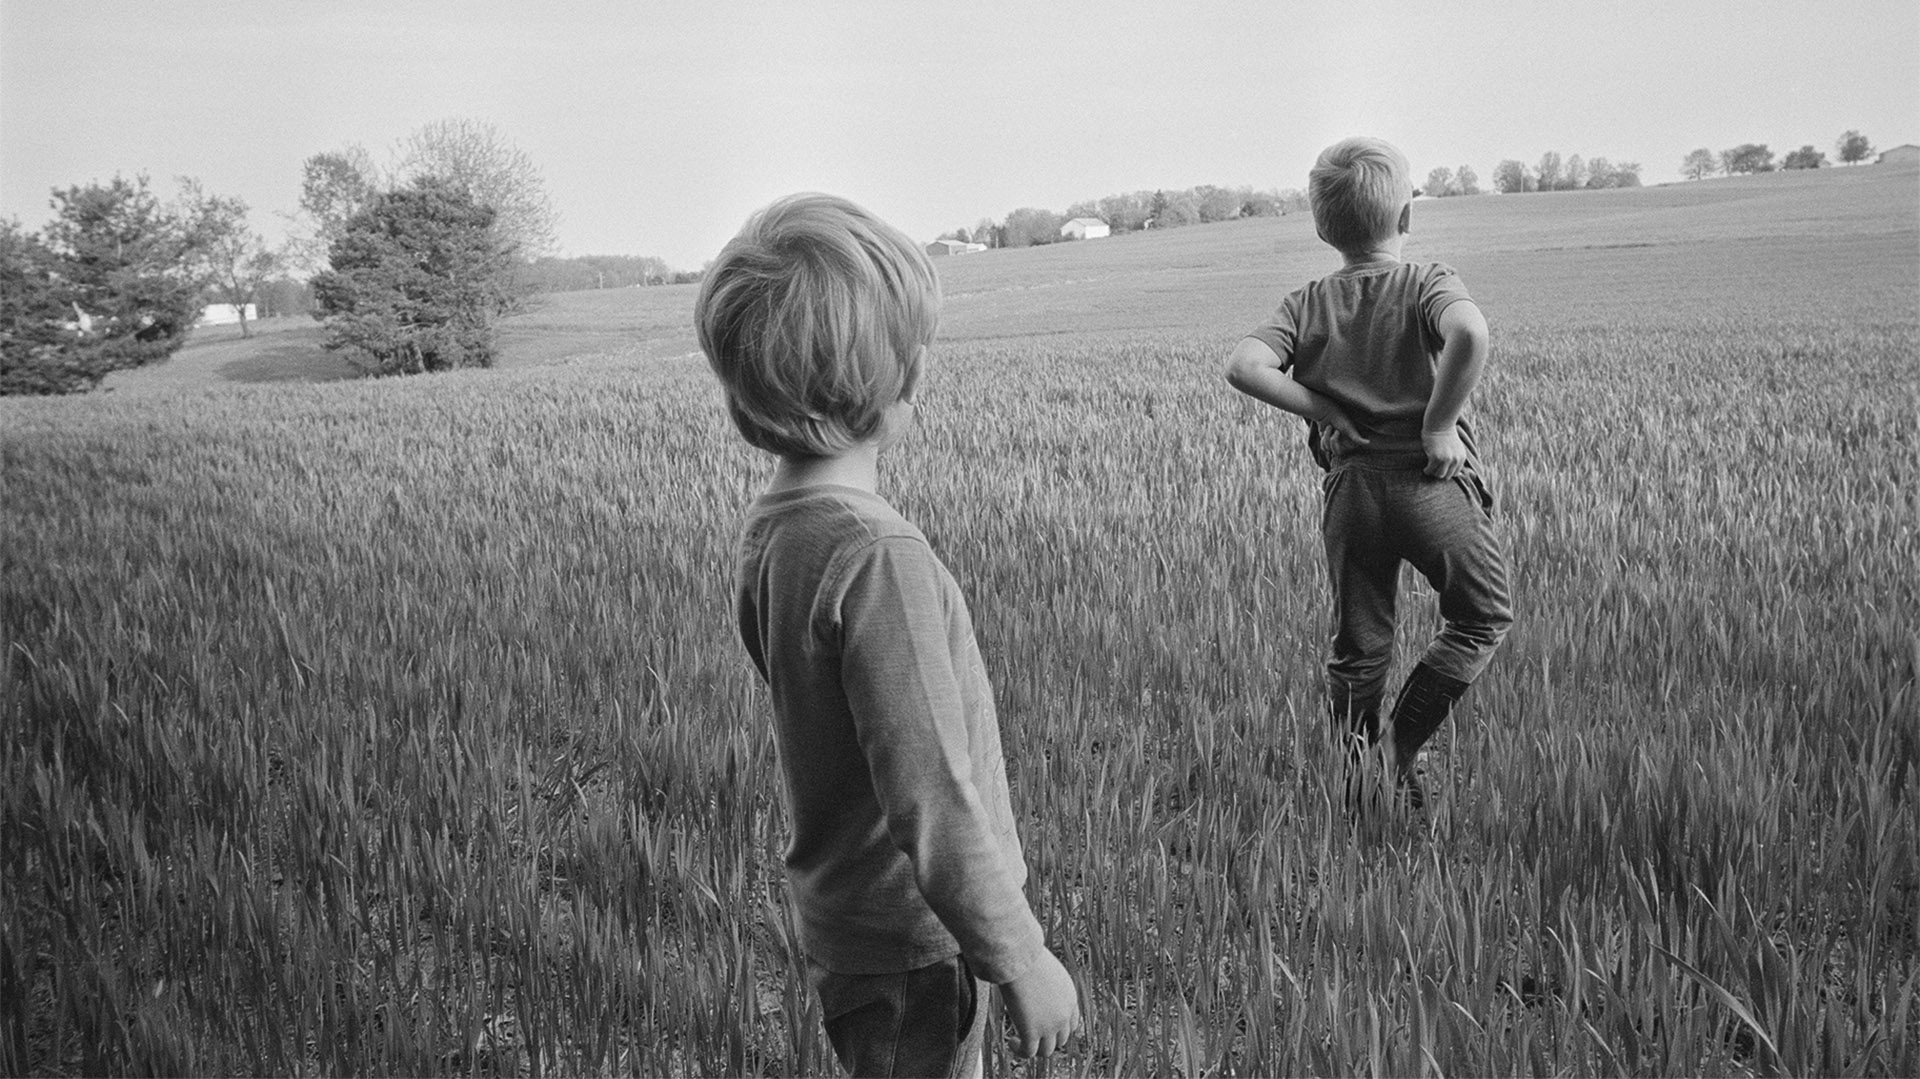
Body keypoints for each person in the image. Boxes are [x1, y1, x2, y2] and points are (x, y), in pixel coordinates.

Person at [698, 192, 1082, 1076]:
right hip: (917, 935)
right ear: (894, 381)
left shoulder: (780, 528)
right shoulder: (877, 556)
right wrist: (1017, 953)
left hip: (854, 921)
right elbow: (931, 791)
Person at [1224, 137, 1515, 812]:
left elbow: (1244, 367)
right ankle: (1396, 752)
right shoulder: (1428, 282)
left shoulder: (1306, 304)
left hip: (1351, 492)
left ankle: (1359, 782)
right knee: (1482, 615)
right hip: (1431, 487)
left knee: (1360, 646)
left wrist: (1324, 407)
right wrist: (1439, 424)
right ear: (1406, 217)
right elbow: (1470, 334)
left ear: (1325, 230)